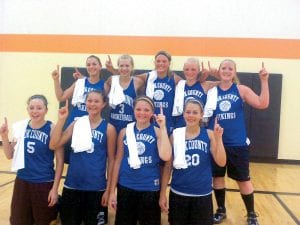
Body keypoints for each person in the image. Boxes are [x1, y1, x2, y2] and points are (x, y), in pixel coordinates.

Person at [207, 60, 269, 225]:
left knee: (243, 180)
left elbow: (262, 103)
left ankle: (251, 214)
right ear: (218, 70)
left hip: (237, 144)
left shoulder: (240, 89)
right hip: (217, 143)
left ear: (234, 72)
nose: (226, 71)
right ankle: (221, 210)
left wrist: (264, 80)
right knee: (217, 178)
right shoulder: (211, 90)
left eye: (230, 68)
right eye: (223, 68)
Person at [49, 90, 116, 225]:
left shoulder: (109, 129)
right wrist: (62, 120)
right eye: (89, 101)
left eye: (96, 101)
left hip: (96, 188)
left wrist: (109, 191)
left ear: (103, 104)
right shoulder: (76, 124)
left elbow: (112, 162)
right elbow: (54, 144)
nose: (92, 104)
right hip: (72, 185)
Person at [159, 98, 226, 225]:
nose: (191, 115)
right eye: (188, 112)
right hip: (178, 193)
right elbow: (168, 168)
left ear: (201, 115)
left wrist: (219, 139)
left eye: (195, 112)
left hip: (202, 194)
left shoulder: (210, 134)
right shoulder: (175, 135)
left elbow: (221, 162)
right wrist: (163, 194)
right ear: (183, 113)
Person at [0, 94, 64, 225]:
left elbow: (60, 161)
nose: (35, 111)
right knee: (19, 220)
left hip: (43, 182)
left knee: (43, 221)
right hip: (22, 181)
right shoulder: (21, 127)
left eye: (39, 108)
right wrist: (4, 136)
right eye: (32, 107)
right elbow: (9, 154)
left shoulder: (52, 128)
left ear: (46, 110)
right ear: (27, 109)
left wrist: (55, 189)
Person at [108, 96, 172, 225]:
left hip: (150, 189)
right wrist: (111, 191)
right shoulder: (124, 132)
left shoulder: (158, 132)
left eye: (146, 110)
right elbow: (118, 161)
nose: (142, 113)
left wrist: (163, 128)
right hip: (126, 186)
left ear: (152, 112)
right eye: (138, 109)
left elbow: (166, 156)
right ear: (133, 110)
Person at [51, 55, 107, 163]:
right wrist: (56, 80)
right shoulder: (80, 82)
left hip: (92, 125)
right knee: (60, 148)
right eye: (88, 64)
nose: (91, 67)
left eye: (94, 64)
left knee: (86, 156)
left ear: (100, 66)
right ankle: (59, 179)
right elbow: (61, 97)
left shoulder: (104, 85)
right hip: (74, 123)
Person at [173, 58, 217, 128]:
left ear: (199, 70)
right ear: (183, 70)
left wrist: (215, 74)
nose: (190, 72)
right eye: (187, 69)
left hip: (199, 127)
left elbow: (227, 83)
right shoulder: (179, 84)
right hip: (181, 126)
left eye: (193, 69)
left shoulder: (206, 85)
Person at [106, 54, 144, 133]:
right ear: (118, 67)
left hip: (130, 125)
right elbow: (101, 94)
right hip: (113, 124)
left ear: (132, 67)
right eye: (121, 66)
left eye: (127, 66)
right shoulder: (111, 80)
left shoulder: (138, 82)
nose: (124, 68)